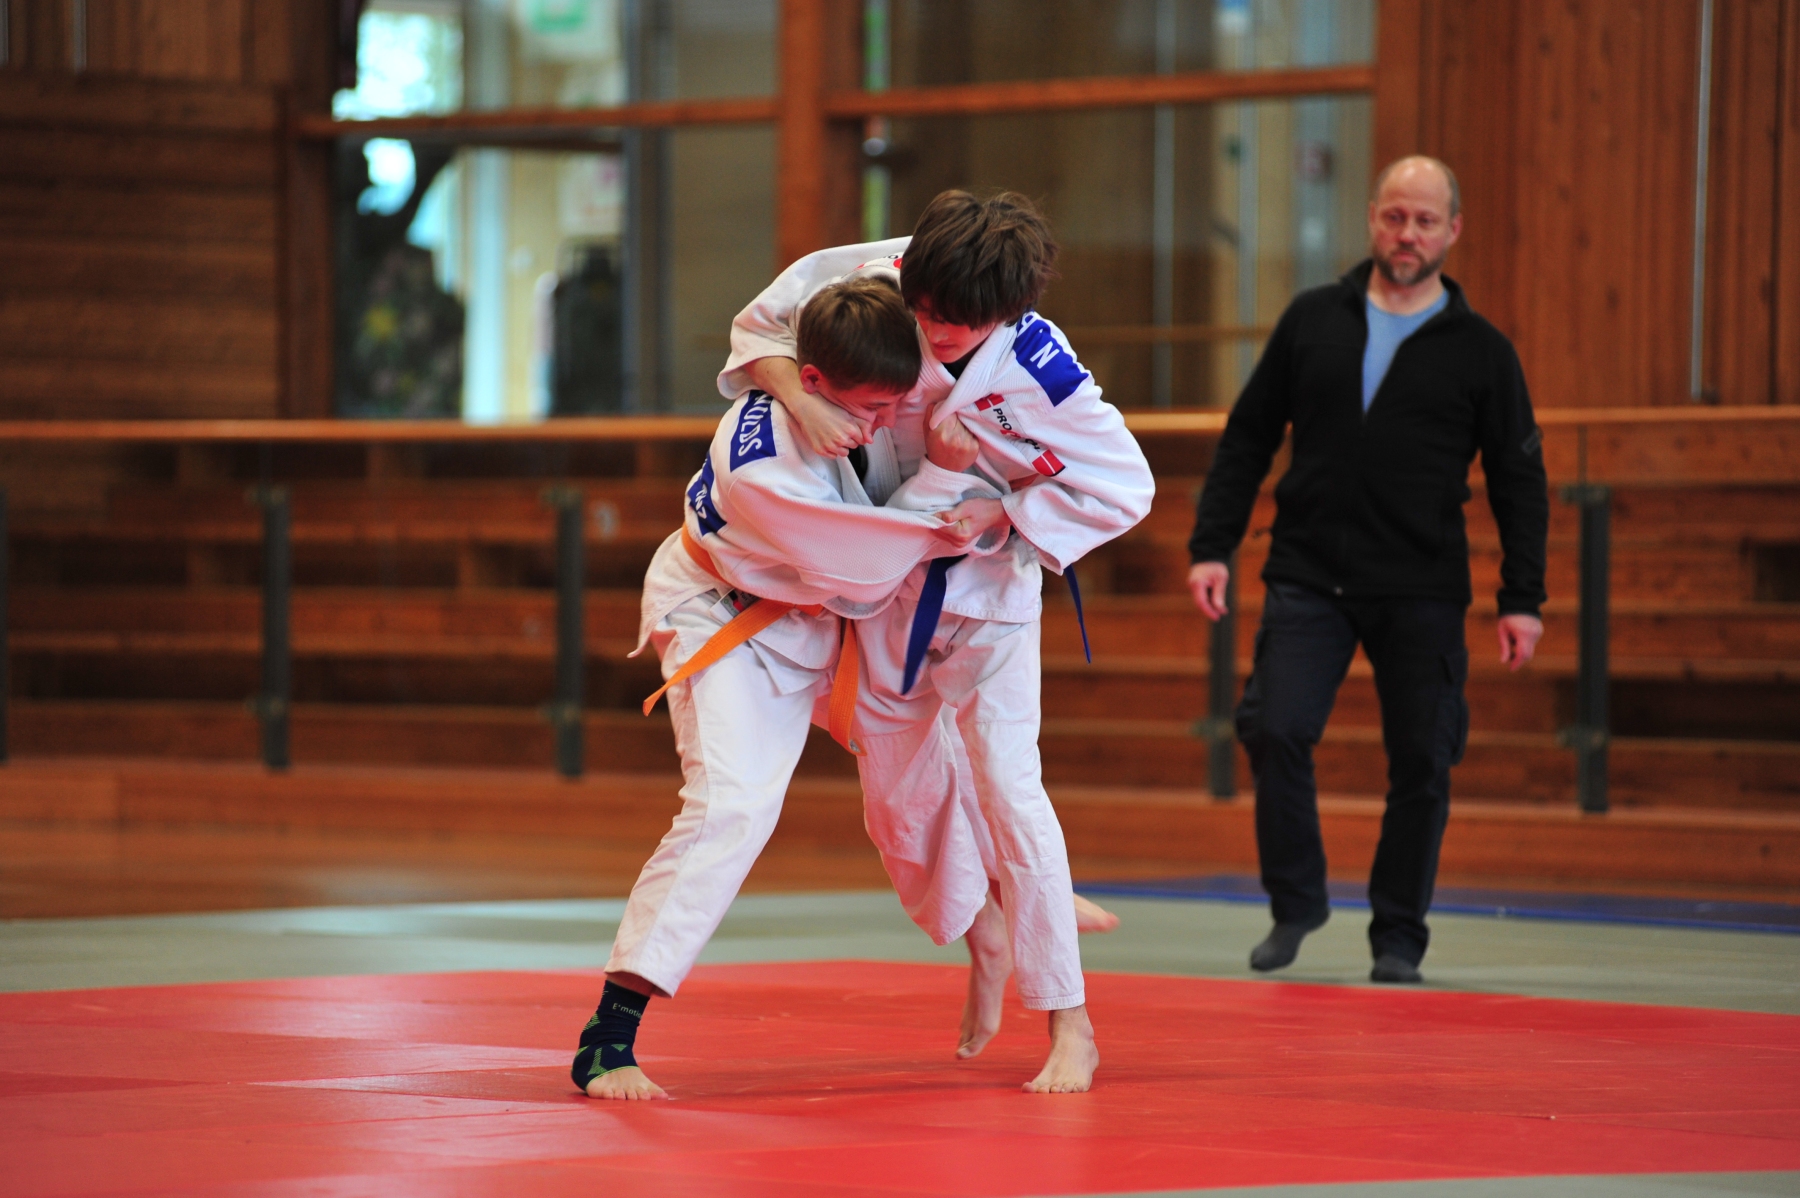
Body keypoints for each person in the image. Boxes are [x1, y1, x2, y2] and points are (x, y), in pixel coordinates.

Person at [726, 190, 1155, 1091]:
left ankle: (1070, 1021)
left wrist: (1005, 512)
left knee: (1009, 783)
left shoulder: (1042, 371)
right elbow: (761, 325)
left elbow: (1127, 488)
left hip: (991, 594)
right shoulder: (878, 276)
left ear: (1009, 311)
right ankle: (986, 928)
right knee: (897, 802)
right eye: (923, 309)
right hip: (889, 583)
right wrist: (799, 402)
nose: (932, 330)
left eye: (956, 322)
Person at [573, 277, 984, 1101]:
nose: (883, 423)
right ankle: (609, 1036)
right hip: (730, 618)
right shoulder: (763, 469)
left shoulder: (843, 362)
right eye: (870, 409)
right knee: (733, 804)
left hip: (815, 615)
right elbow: (864, 577)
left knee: (929, 757)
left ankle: (998, 919)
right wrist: (944, 480)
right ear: (816, 381)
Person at [1185, 156, 1549, 985]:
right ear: (1372, 220)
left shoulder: (1482, 351)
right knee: (1274, 728)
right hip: (1308, 574)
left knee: (1423, 759)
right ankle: (1297, 902)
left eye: (1425, 221)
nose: (1407, 234)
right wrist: (1212, 545)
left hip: (1422, 585)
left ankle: (1399, 935)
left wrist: (1522, 597)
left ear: (1452, 231)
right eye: (1394, 217)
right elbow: (1248, 437)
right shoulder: (1313, 319)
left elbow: (1519, 480)